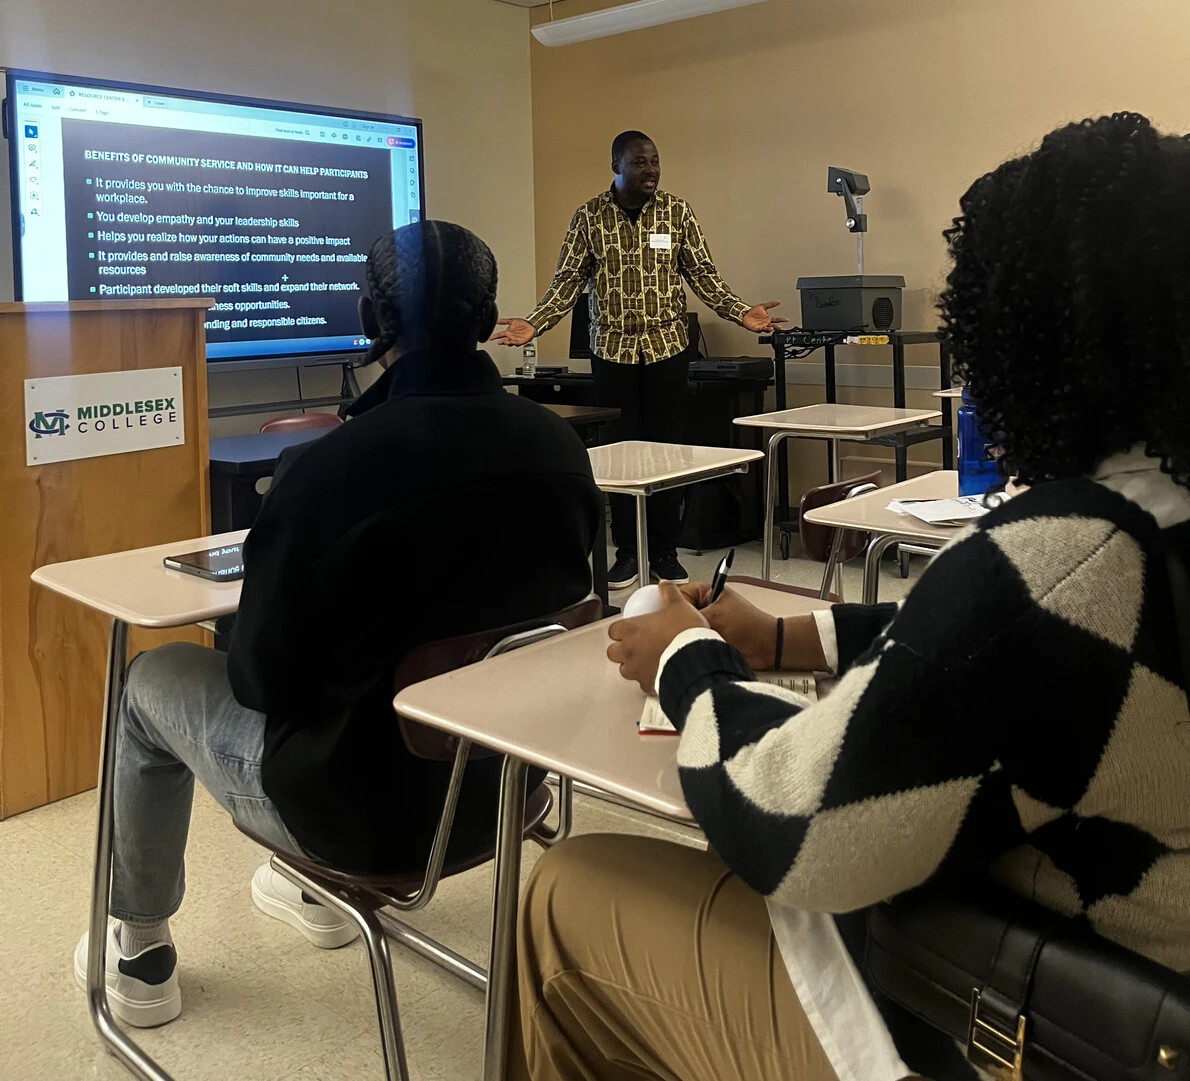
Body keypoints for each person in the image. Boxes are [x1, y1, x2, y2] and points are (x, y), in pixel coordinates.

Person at [510, 113, 1190, 1081]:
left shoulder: (1071, 555)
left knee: (569, 886)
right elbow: (1016, 649)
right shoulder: (1147, 528)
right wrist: (796, 635)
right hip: (1141, 951)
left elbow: (792, 830)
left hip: (1048, 1023)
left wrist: (680, 659)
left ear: (1028, 334)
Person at [74, 221, 603, 1028]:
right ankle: (306, 892)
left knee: (150, 682)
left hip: (358, 820)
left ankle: (139, 951)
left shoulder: (327, 472)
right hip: (506, 787)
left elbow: (257, 680)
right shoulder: (559, 448)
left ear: (368, 316)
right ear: (491, 319)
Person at [493, 130, 785, 590]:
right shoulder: (589, 217)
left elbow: (703, 274)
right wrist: (536, 322)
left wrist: (738, 311)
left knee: (666, 451)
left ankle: (665, 551)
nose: (650, 169)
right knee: (622, 454)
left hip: (668, 347)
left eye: (655, 161)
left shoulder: (676, 211)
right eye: (639, 162)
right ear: (616, 167)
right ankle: (627, 551)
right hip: (612, 350)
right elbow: (567, 282)